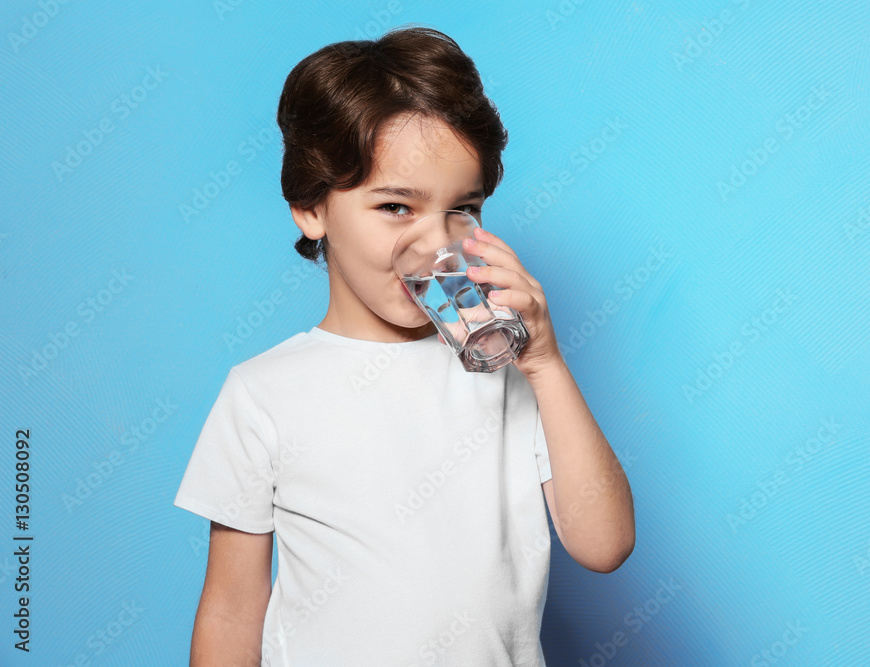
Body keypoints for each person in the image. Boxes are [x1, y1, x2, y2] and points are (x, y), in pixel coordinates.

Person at [173, 25, 635, 666]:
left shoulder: (507, 370)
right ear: (311, 208)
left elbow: (605, 545)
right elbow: (230, 607)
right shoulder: (260, 394)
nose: (435, 241)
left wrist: (546, 362)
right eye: (396, 206)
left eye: (462, 208)